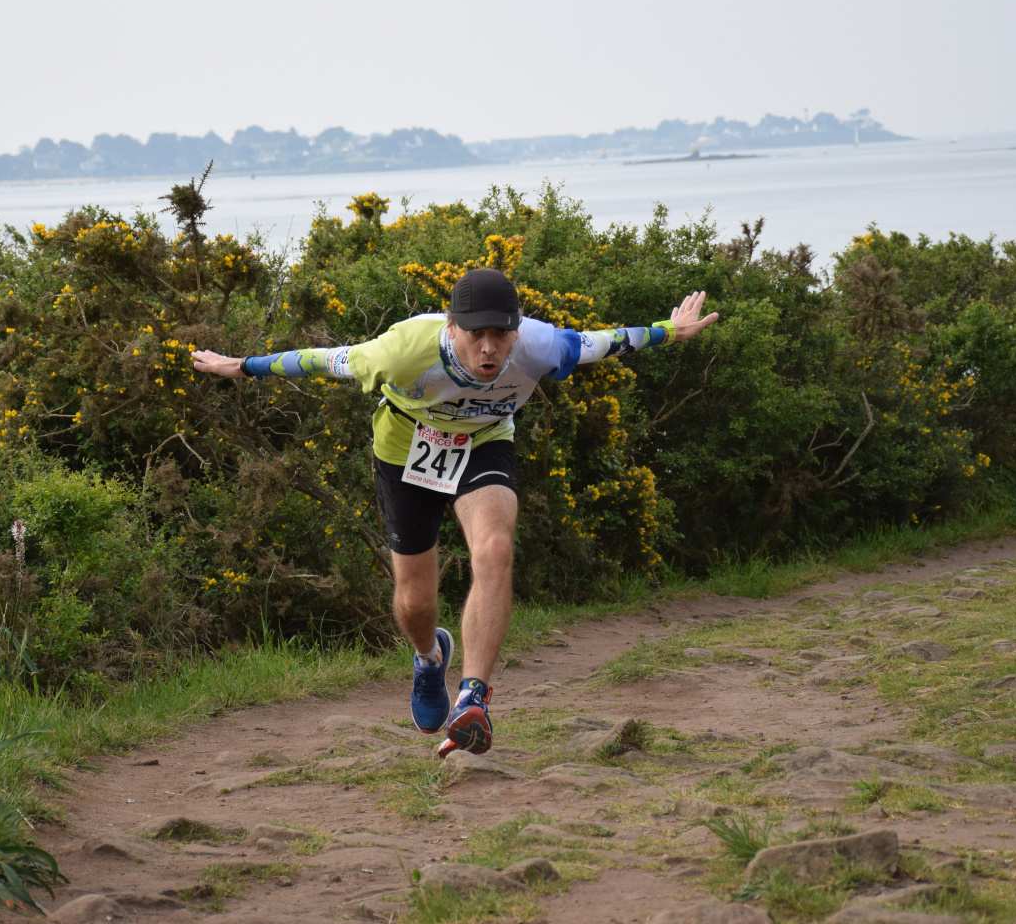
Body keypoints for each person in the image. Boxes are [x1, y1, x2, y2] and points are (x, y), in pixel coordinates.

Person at [192, 268, 716, 756]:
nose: (488, 348)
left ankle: (473, 699)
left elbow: (612, 340)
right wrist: (243, 366)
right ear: (451, 326)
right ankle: (429, 657)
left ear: (516, 330)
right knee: (415, 601)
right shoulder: (399, 352)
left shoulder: (543, 345)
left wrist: (670, 330)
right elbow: (318, 360)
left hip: (484, 444)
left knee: (496, 548)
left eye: (500, 334)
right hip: (405, 450)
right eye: (474, 334)